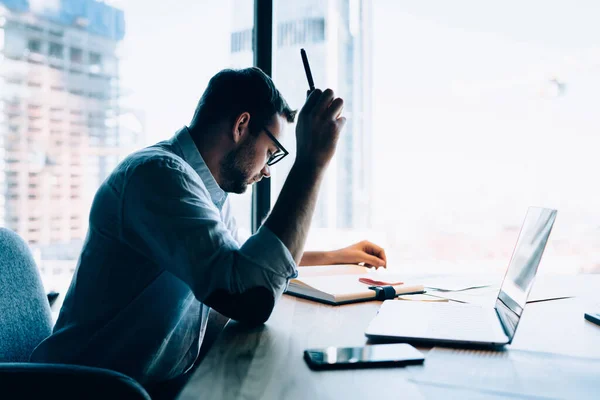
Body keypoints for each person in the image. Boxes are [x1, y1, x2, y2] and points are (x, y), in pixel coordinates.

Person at [30, 67, 386, 392]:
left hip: (138, 385)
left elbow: (239, 260)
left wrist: (334, 256)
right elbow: (249, 295)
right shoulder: (159, 177)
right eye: (272, 152)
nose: (268, 170)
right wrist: (311, 162)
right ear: (241, 125)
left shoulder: (204, 189)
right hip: (87, 389)